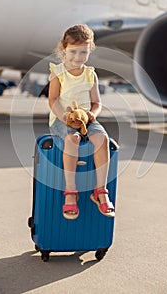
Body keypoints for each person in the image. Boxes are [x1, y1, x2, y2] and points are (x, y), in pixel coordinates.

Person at [48, 24, 115, 220]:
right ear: (63, 50)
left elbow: (97, 102)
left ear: (90, 50)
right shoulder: (58, 73)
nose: (78, 57)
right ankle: (71, 192)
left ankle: (100, 190)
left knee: (102, 139)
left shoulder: (90, 74)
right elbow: (52, 100)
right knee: (72, 139)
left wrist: (93, 114)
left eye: (83, 52)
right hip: (62, 119)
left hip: (86, 118)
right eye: (73, 52)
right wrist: (65, 117)